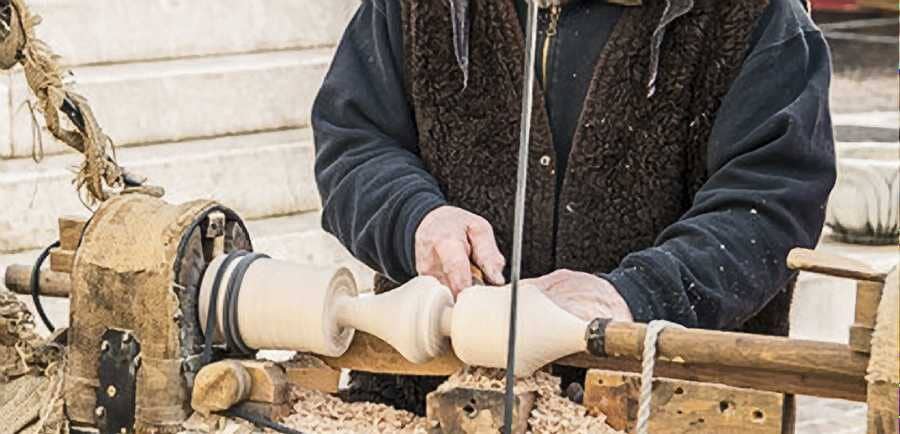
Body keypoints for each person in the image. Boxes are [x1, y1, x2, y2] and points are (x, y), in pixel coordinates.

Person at [313, 0, 835, 413]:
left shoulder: (756, 15)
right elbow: (354, 142)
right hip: (423, 396)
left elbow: (770, 202)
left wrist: (633, 297)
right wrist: (415, 219)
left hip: (670, 406)